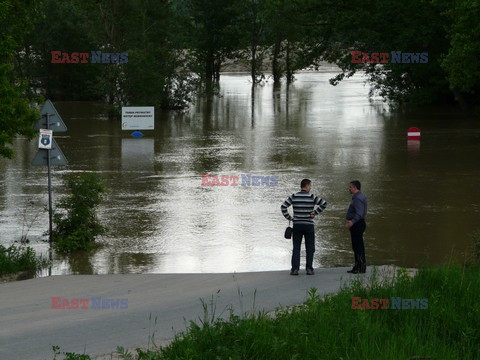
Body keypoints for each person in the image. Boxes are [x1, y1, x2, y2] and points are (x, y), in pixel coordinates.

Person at [281, 179, 327, 276]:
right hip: (309, 225)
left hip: (297, 225)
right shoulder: (312, 196)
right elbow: (324, 203)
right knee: (310, 247)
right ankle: (309, 269)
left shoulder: (294, 196)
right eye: (310, 186)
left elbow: (283, 206)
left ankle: (295, 269)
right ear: (306, 186)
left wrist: (289, 217)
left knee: (296, 248)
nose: (310, 188)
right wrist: (315, 212)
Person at [346, 180, 368, 274]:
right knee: (357, 246)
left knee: (357, 246)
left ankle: (360, 267)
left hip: (357, 224)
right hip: (358, 223)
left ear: (355, 188)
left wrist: (352, 222)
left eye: (350, 187)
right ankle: (358, 266)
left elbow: (359, 214)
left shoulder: (358, 198)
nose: (349, 189)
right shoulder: (359, 196)